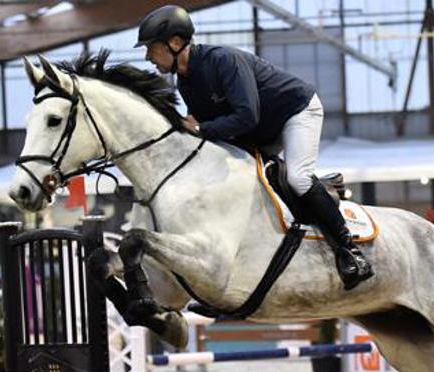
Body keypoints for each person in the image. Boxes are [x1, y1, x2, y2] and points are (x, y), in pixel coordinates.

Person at [135, 5, 373, 290]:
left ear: (175, 43)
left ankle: (349, 250)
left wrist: (200, 128)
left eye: (151, 48)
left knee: (297, 177)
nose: (148, 57)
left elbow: (245, 116)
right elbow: (209, 128)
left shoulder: (223, 61)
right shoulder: (186, 81)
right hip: (259, 129)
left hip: (295, 111)